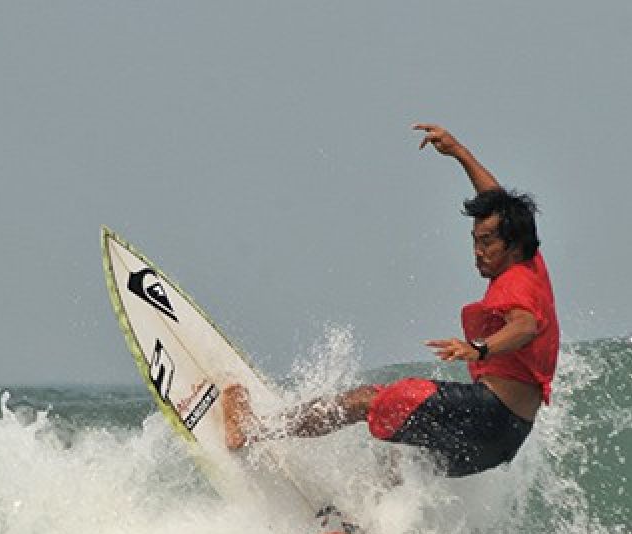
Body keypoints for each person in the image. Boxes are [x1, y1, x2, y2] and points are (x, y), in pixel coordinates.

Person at [223, 123, 559, 477]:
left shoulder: (515, 284)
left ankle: (250, 429)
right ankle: (355, 528)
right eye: (475, 240)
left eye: (487, 243)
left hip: (486, 412)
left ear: (512, 243)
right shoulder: (531, 262)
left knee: (365, 400)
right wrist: (460, 153)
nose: (477, 252)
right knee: (404, 465)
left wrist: (480, 350)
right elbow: (498, 199)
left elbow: (526, 325)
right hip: (507, 438)